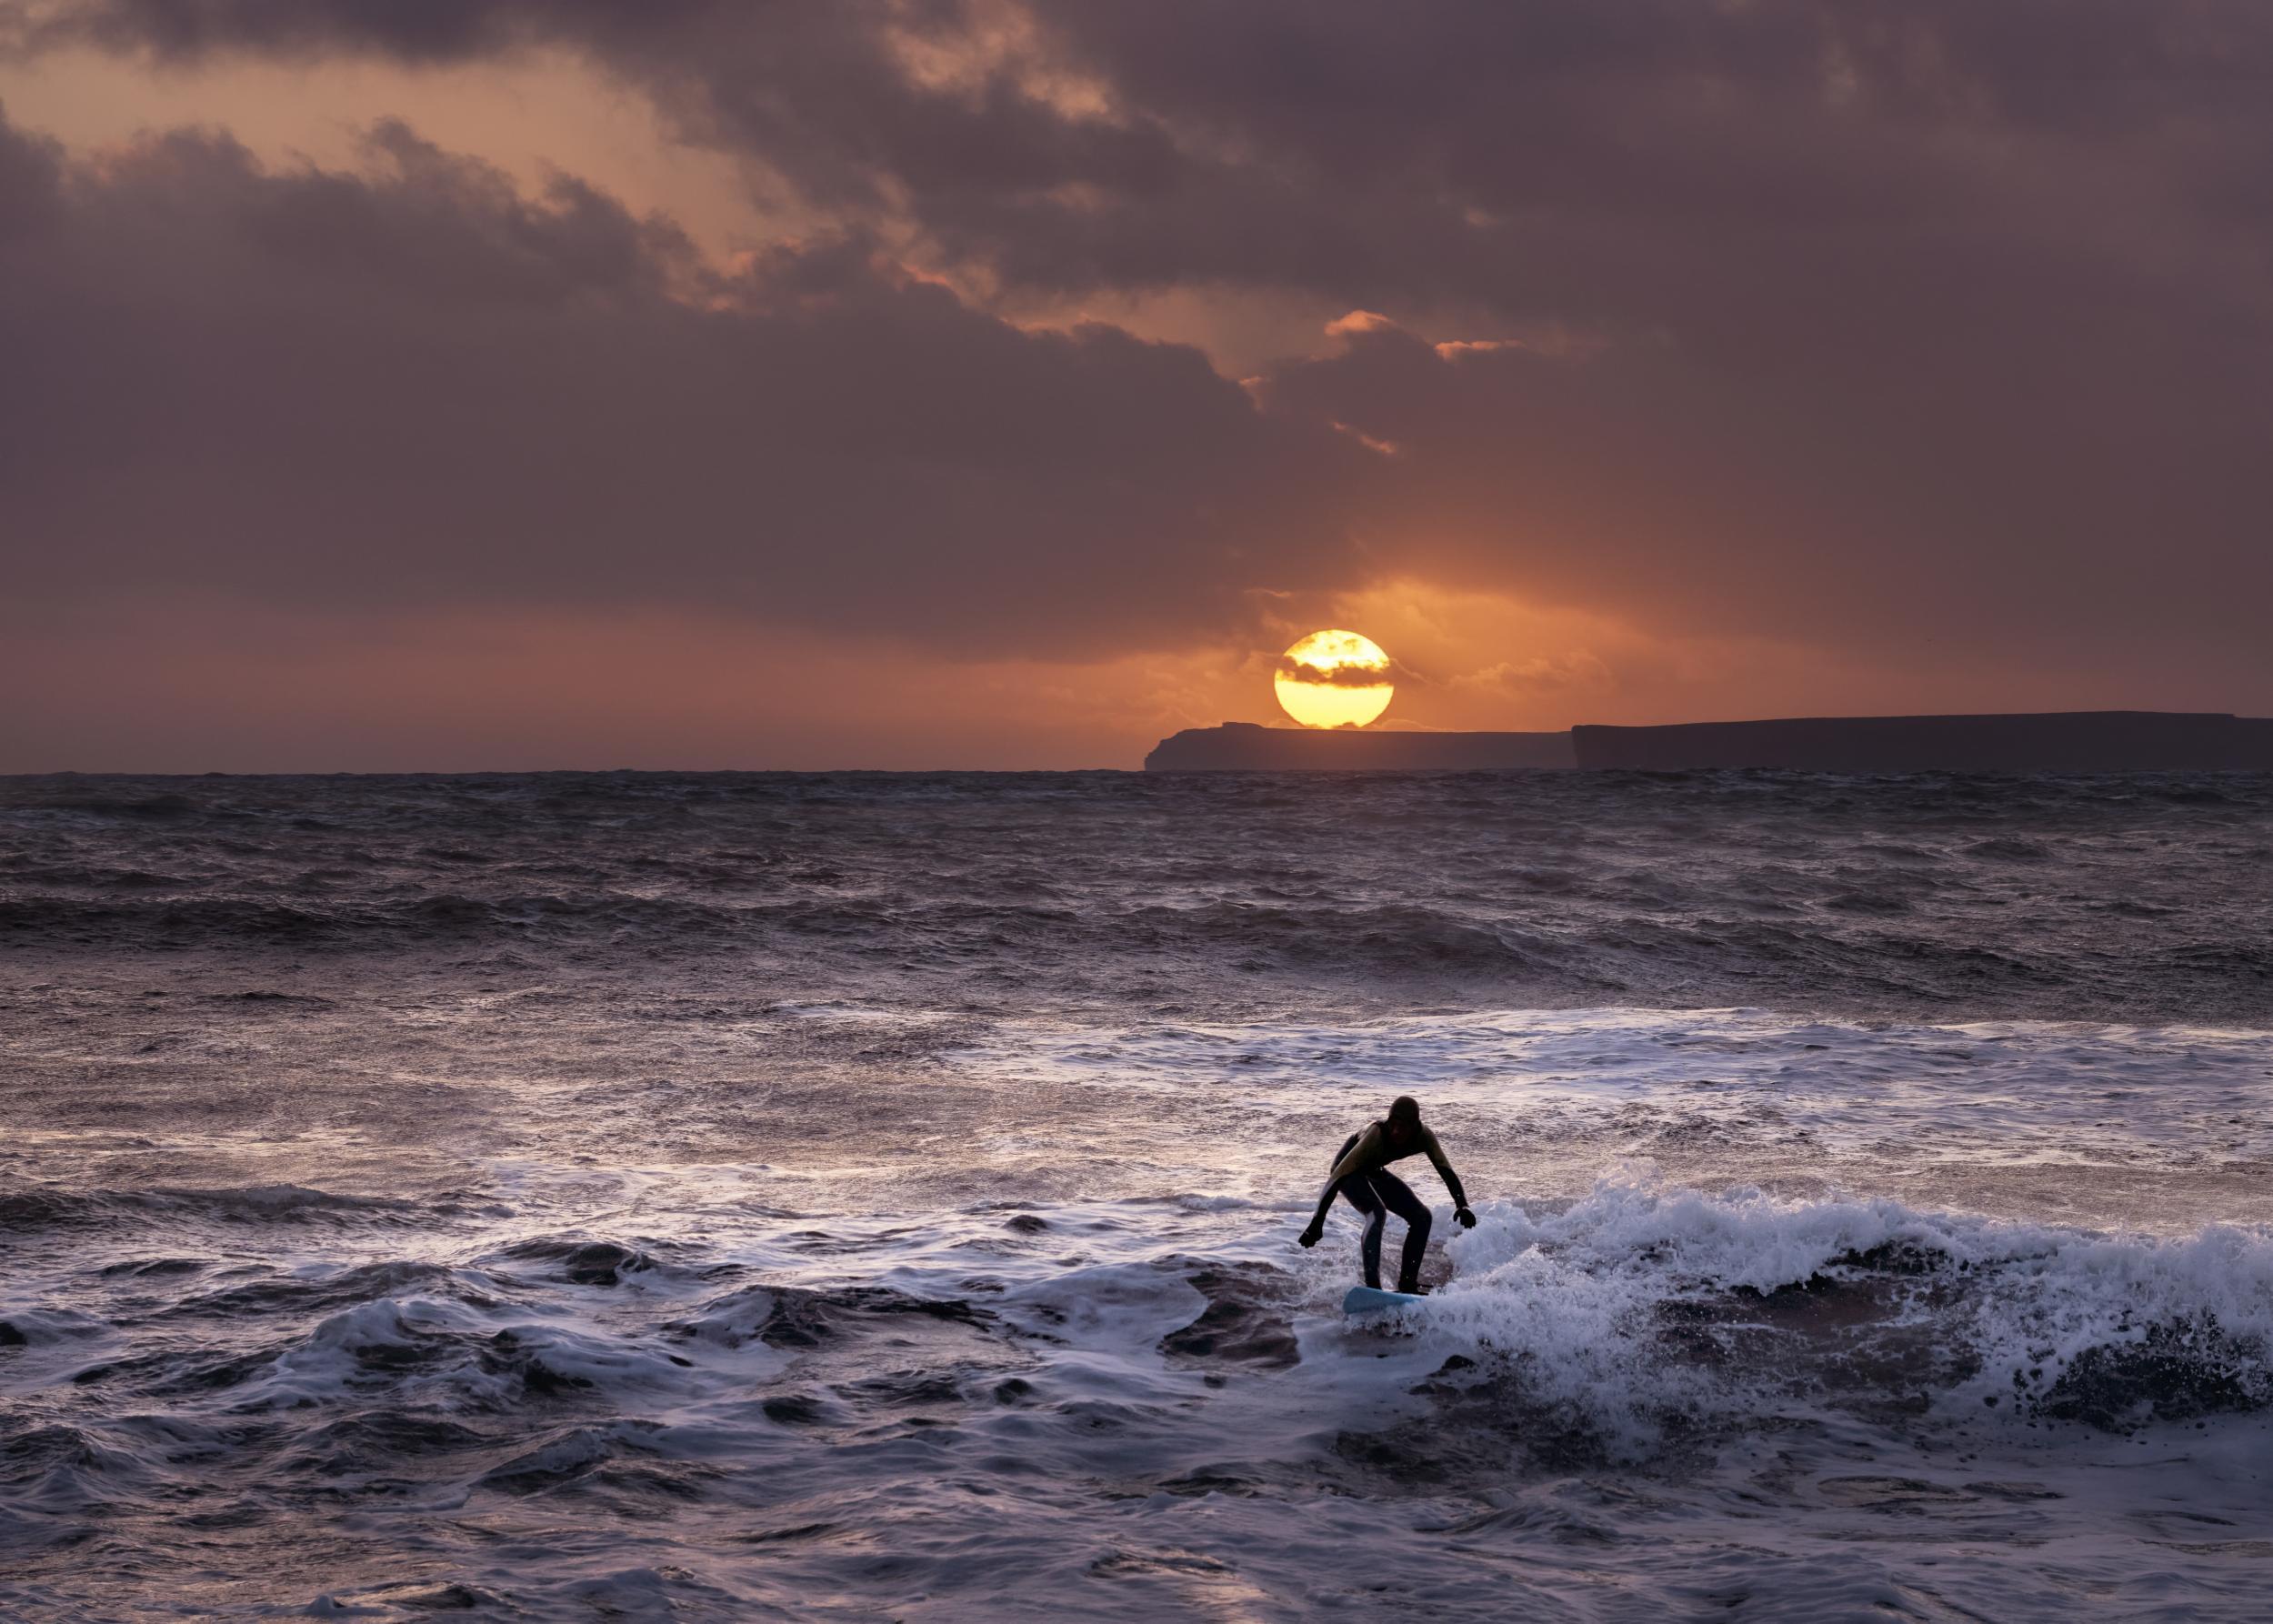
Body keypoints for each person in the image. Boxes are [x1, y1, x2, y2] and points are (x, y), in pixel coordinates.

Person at [1298, 1095, 1477, 1293]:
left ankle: (1407, 1284)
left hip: (1373, 1170)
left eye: (1404, 1127)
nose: (1396, 1131)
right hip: (1347, 1172)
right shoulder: (1376, 1135)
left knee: (1422, 1217)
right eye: (1393, 1124)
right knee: (1377, 1213)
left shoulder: (1424, 1136)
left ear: (1415, 1126)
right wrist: (1317, 1221)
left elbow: (1446, 1171)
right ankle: (1373, 1288)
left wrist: (1462, 1204)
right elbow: (1336, 1178)